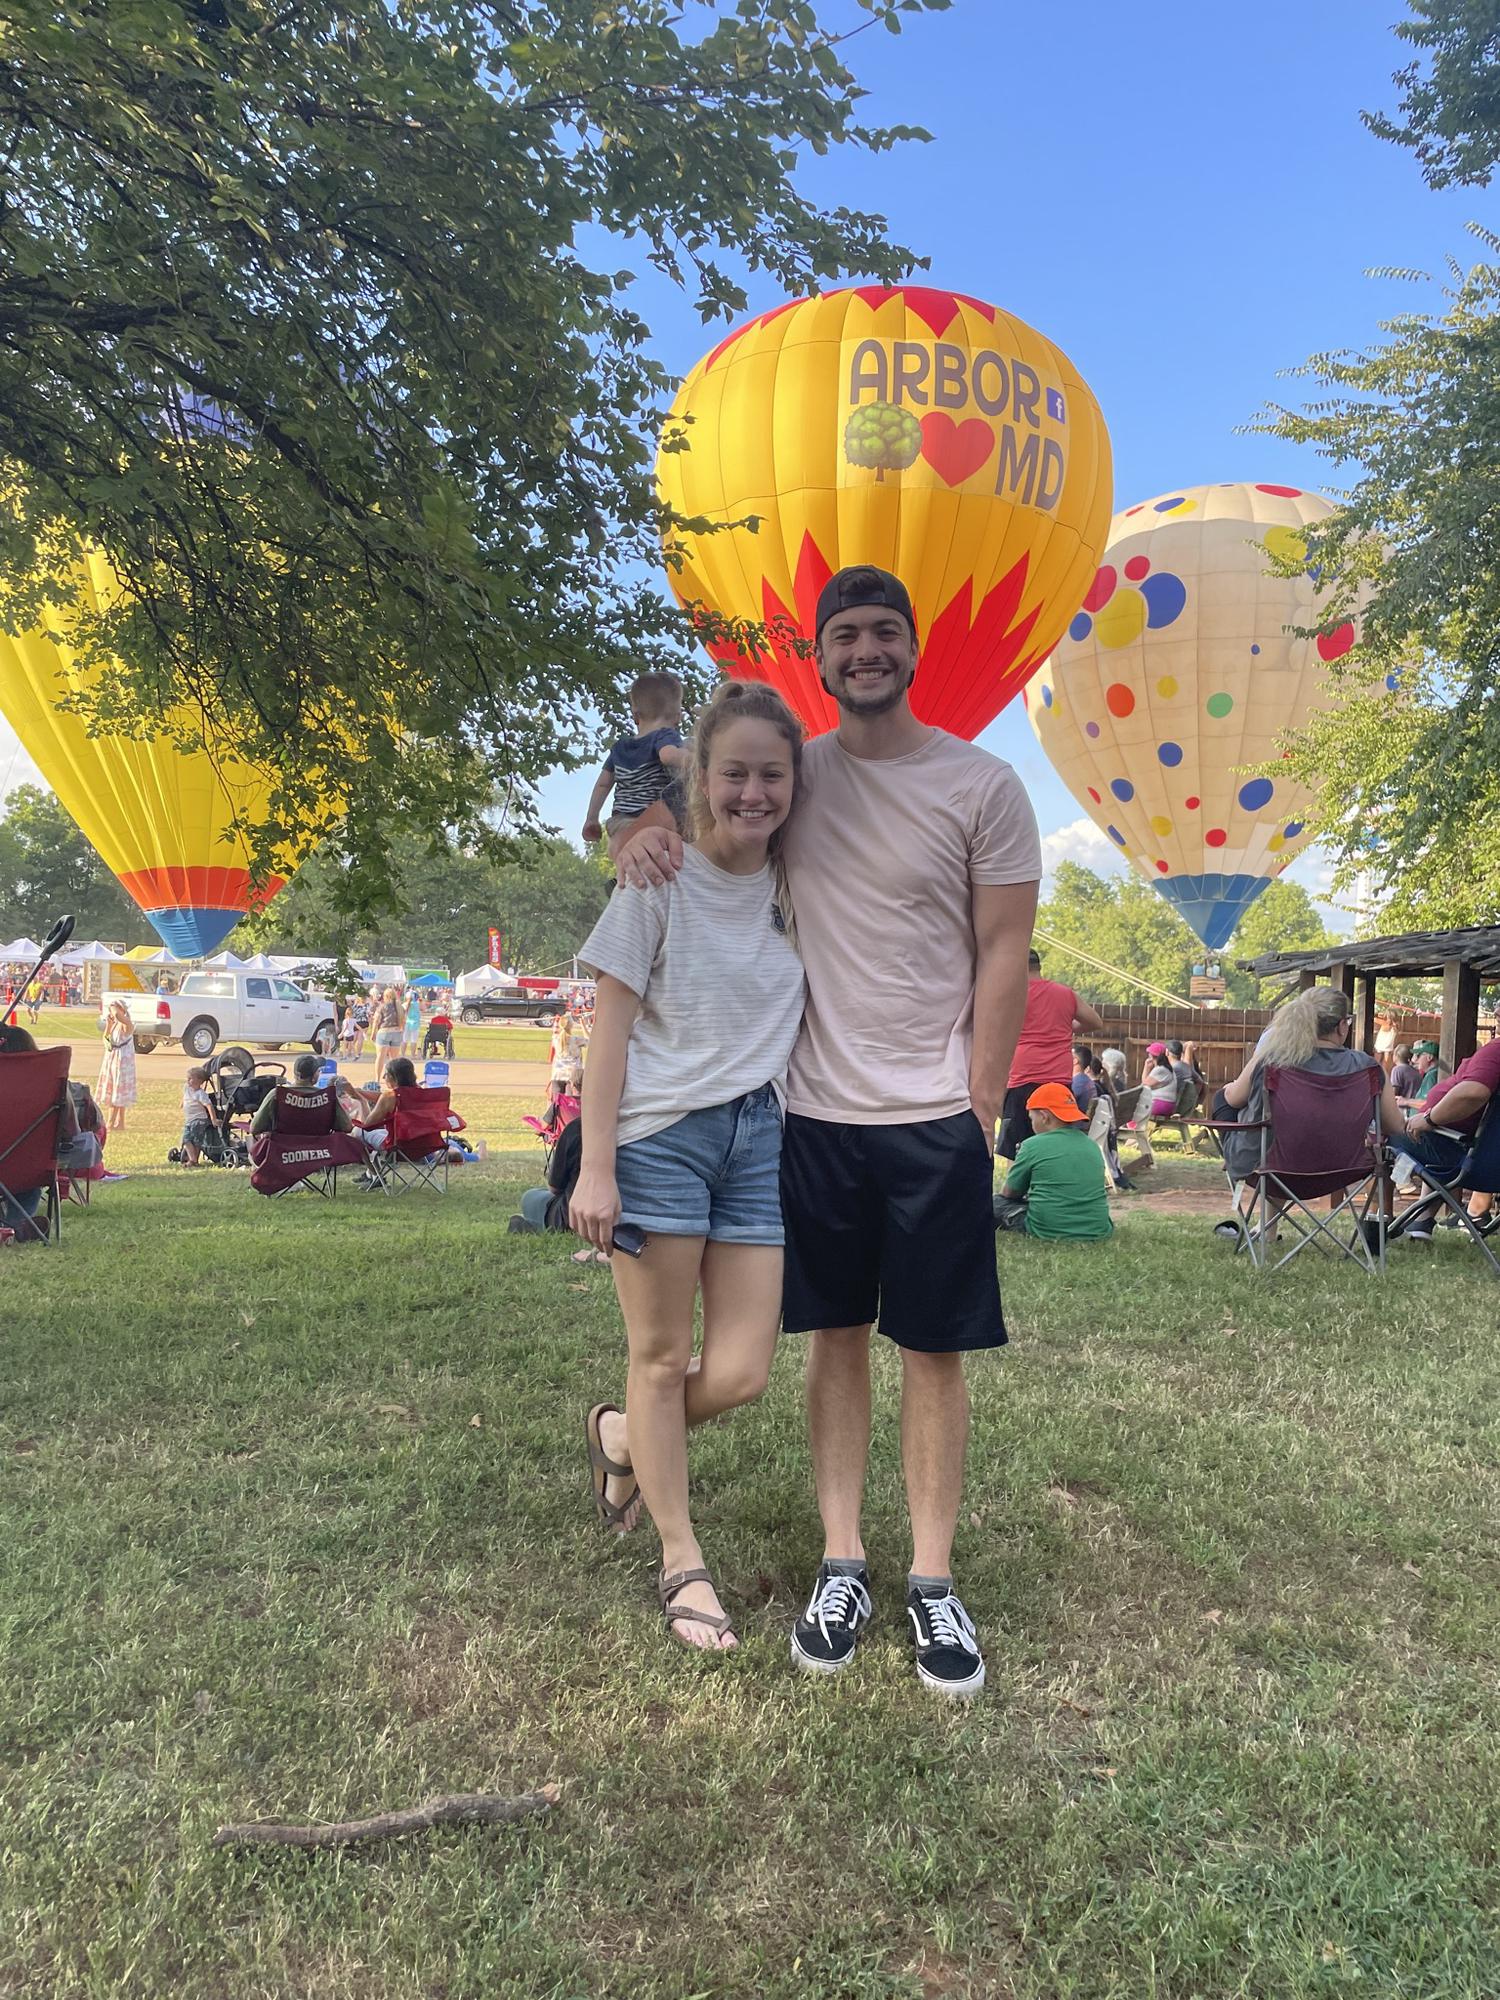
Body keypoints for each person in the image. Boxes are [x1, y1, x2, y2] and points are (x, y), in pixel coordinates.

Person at [618, 564, 1040, 1697]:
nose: (866, 650)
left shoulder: (984, 784)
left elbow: (1006, 947)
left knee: (935, 1351)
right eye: (845, 633)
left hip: (932, 1115)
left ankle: (935, 1580)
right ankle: (843, 1558)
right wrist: (642, 827)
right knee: (838, 1340)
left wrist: (983, 1099)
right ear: (821, 655)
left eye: (884, 631)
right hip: (811, 1113)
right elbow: (708, 790)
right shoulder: (799, 774)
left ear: (915, 643)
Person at [572, 679, 807, 1654]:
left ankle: (624, 1436)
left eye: (772, 773)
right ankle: (681, 1554)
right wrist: (593, 1168)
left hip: (759, 1139)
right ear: (698, 774)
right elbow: (609, 1031)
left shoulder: (799, 880)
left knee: (745, 1369)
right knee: (662, 1357)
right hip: (658, 1136)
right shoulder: (654, 878)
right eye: (735, 772)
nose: (754, 792)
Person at [1214, 985, 1403, 1235]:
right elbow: (1394, 1126)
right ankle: (1268, 1228)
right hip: (1344, 1170)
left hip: (1273, 1168)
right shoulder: (1368, 1068)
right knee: (1284, 1130)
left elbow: (1234, 1098)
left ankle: (1262, 1221)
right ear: (1342, 1026)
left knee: (1224, 1100)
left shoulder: (1274, 1059)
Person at [1385, 1029, 1500, 1242]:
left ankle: (1379, 1221)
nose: (1496, 1010)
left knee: (1383, 1133)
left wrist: (1429, 1120)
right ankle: (1422, 1221)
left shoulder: (1496, 1051)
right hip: (1479, 1157)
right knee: (1438, 1141)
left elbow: (1473, 1092)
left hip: (1470, 1161)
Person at [997, 951, 1104, 1162]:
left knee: (1018, 1148)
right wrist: (1066, 1026)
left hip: (1022, 1076)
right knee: (1056, 1144)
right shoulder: (1064, 993)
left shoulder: (1011, 994)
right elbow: (1095, 1022)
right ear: (1038, 967)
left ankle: (1014, 1192)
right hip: (1058, 1080)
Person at [581, 669, 690, 853]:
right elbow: (668, 756)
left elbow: (603, 785)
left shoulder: (620, 747)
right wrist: (707, 761)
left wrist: (591, 818)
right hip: (650, 821)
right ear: (678, 717)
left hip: (619, 824)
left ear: (635, 715)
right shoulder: (664, 736)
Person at [993, 1084, 1114, 1240]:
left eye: (1032, 1118)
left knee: (995, 1202)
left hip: (1048, 1229)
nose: (1031, 1123)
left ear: (1044, 1116)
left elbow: (1009, 1193)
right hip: (1098, 1229)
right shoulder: (1092, 1145)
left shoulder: (1031, 1145)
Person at [251, 1052, 355, 1136]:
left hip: (283, 1154)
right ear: (314, 1076)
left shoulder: (277, 1094)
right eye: (318, 1071)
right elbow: (347, 1127)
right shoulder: (328, 1096)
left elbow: (254, 1128)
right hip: (320, 1153)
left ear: (295, 1074)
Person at [96, 999, 137, 1132]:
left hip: (122, 1060)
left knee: (118, 1090)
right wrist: (108, 1024)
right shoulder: (115, 1024)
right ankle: (119, 1123)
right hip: (113, 1057)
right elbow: (106, 1039)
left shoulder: (127, 1024)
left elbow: (120, 1016)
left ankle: (112, 1122)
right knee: (115, 1089)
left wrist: (115, 1009)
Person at [178, 1067, 224, 1165]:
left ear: (199, 1081)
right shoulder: (187, 1088)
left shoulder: (201, 1094)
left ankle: (193, 1160)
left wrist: (213, 1119)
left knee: (192, 1140)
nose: (188, 1080)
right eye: (187, 1078)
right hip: (189, 1119)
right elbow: (185, 1096)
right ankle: (194, 1160)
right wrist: (182, 1103)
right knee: (188, 1140)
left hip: (199, 1120)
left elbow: (209, 1106)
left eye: (191, 1078)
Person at [369, 986, 403, 1071]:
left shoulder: (382, 1007)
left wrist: (373, 1033)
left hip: (384, 1031)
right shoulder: (400, 1007)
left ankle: (377, 1078)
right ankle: (393, 1077)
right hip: (396, 1032)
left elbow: (376, 1021)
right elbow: (404, 1020)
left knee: (380, 1057)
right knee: (394, 1059)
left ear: (386, 996)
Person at [1069, 1043, 1097, 1117]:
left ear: (1075, 1061)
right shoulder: (1086, 1080)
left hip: (1075, 1125)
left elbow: (1064, 1104)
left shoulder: (1077, 1083)